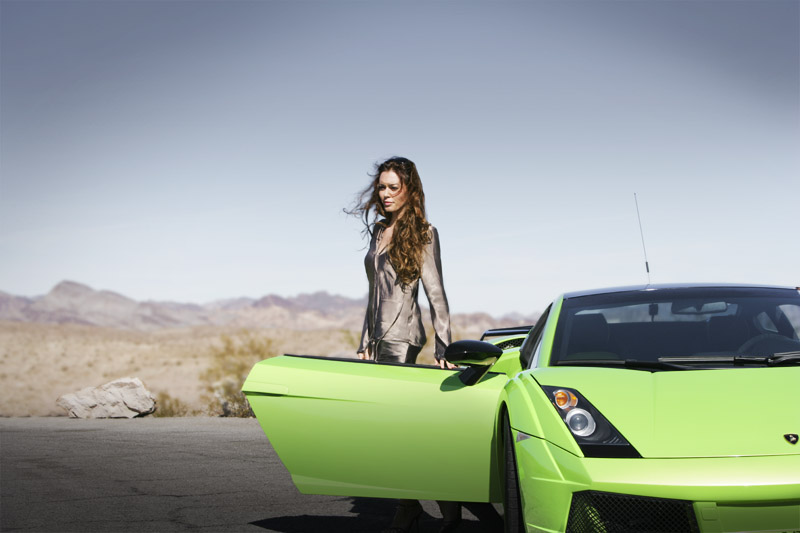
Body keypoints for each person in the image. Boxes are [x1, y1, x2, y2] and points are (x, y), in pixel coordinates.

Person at [350, 156, 460, 532]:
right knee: (389, 434)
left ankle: (445, 509)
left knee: (403, 433)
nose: (385, 194)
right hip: (378, 342)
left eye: (393, 187)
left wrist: (444, 348)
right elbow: (372, 294)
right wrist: (364, 342)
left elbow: (437, 295)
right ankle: (410, 503)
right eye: (381, 187)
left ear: (410, 190)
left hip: (403, 340)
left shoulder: (425, 233)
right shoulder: (378, 232)